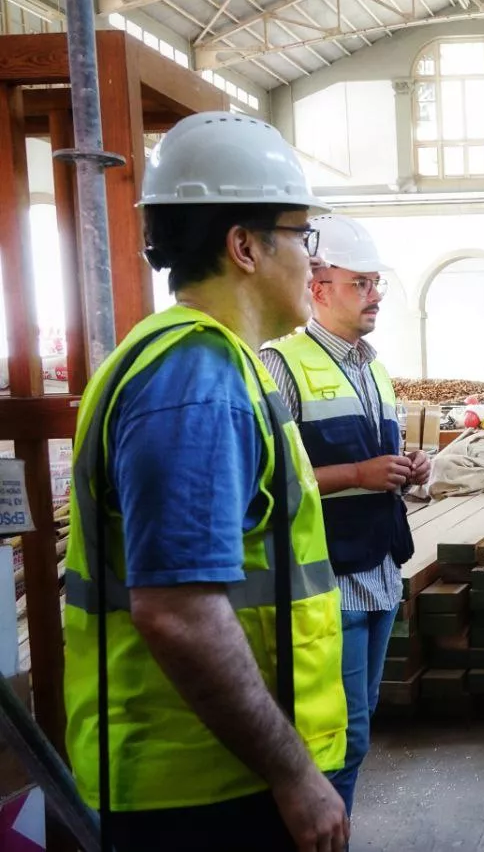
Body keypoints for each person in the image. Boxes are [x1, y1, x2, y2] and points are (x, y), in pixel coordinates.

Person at [62, 111, 349, 851]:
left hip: (220, 775)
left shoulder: (218, 363)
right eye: (301, 235)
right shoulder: (196, 381)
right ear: (244, 246)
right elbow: (179, 611)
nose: (314, 263)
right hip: (207, 790)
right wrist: (293, 774)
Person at [260, 213, 430, 816]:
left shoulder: (373, 367)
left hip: (379, 571)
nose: (375, 294)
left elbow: (372, 462)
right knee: (339, 738)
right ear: (318, 284)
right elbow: (268, 481)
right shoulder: (280, 363)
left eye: (376, 282)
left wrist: (407, 469)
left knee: (357, 731)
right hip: (325, 582)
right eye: (360, 282)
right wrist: (357, 476)